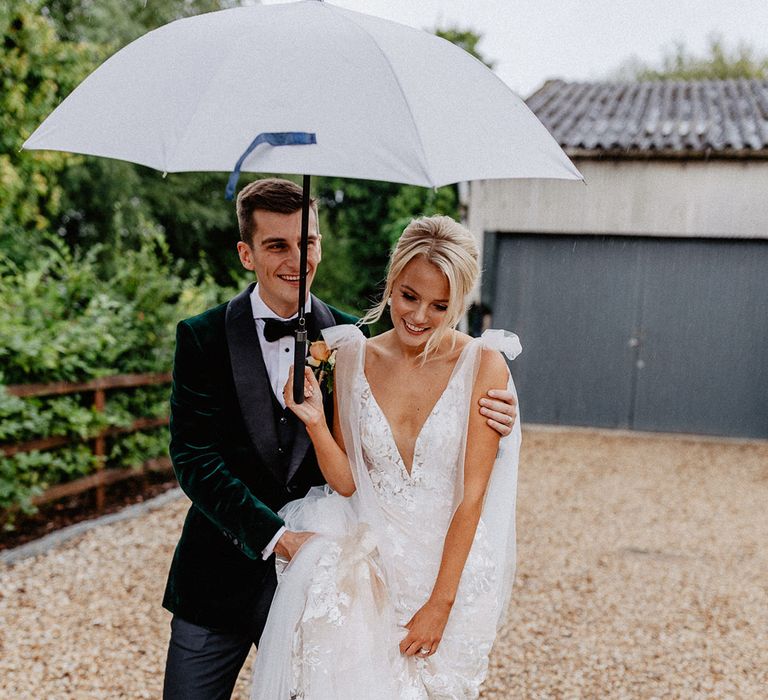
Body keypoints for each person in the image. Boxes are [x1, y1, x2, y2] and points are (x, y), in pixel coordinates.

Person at [161, 180, 518, 700]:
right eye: (276, 245)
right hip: (222, 570)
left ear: (320, 246)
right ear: (246, 253)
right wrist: (276, 537)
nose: (295, 259)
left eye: (306, 243)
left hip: (337, 588)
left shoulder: (351, 341)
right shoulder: (201, 336)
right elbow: (193, 459)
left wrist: (500, 418)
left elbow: (417, 427)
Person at [251, 215, 522, 699]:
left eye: (441, 306)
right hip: (369, 560)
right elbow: (348, 482)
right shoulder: (355, 357)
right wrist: (315, 421)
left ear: (459, 302)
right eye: (409, 296)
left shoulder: (483, 364)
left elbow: (472, 496)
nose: (419, 316)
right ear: (392, 282)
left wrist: (441, 602)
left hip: (447, 567)